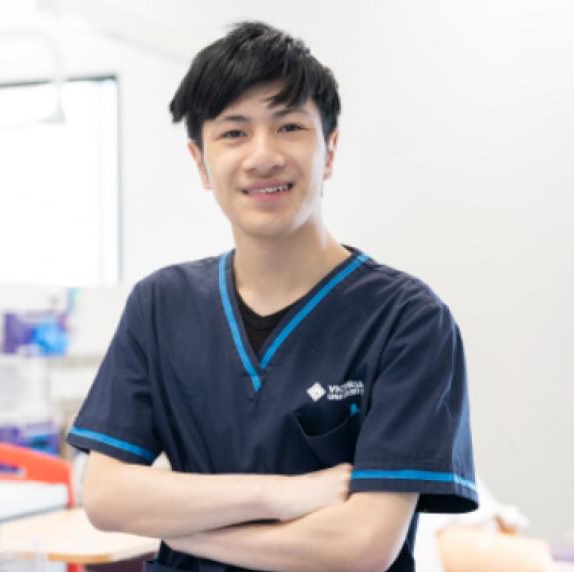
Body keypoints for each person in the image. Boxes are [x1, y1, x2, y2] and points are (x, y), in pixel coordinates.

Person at [66, 21, 478, 572]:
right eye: (234, 133)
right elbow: (107, 497)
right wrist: (279, 496)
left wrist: (183, 530)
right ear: (200, 162)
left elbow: (361, 547)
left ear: (329, 150)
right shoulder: (160, 305)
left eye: (288, 127)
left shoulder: (407, 320)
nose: (262, 156)